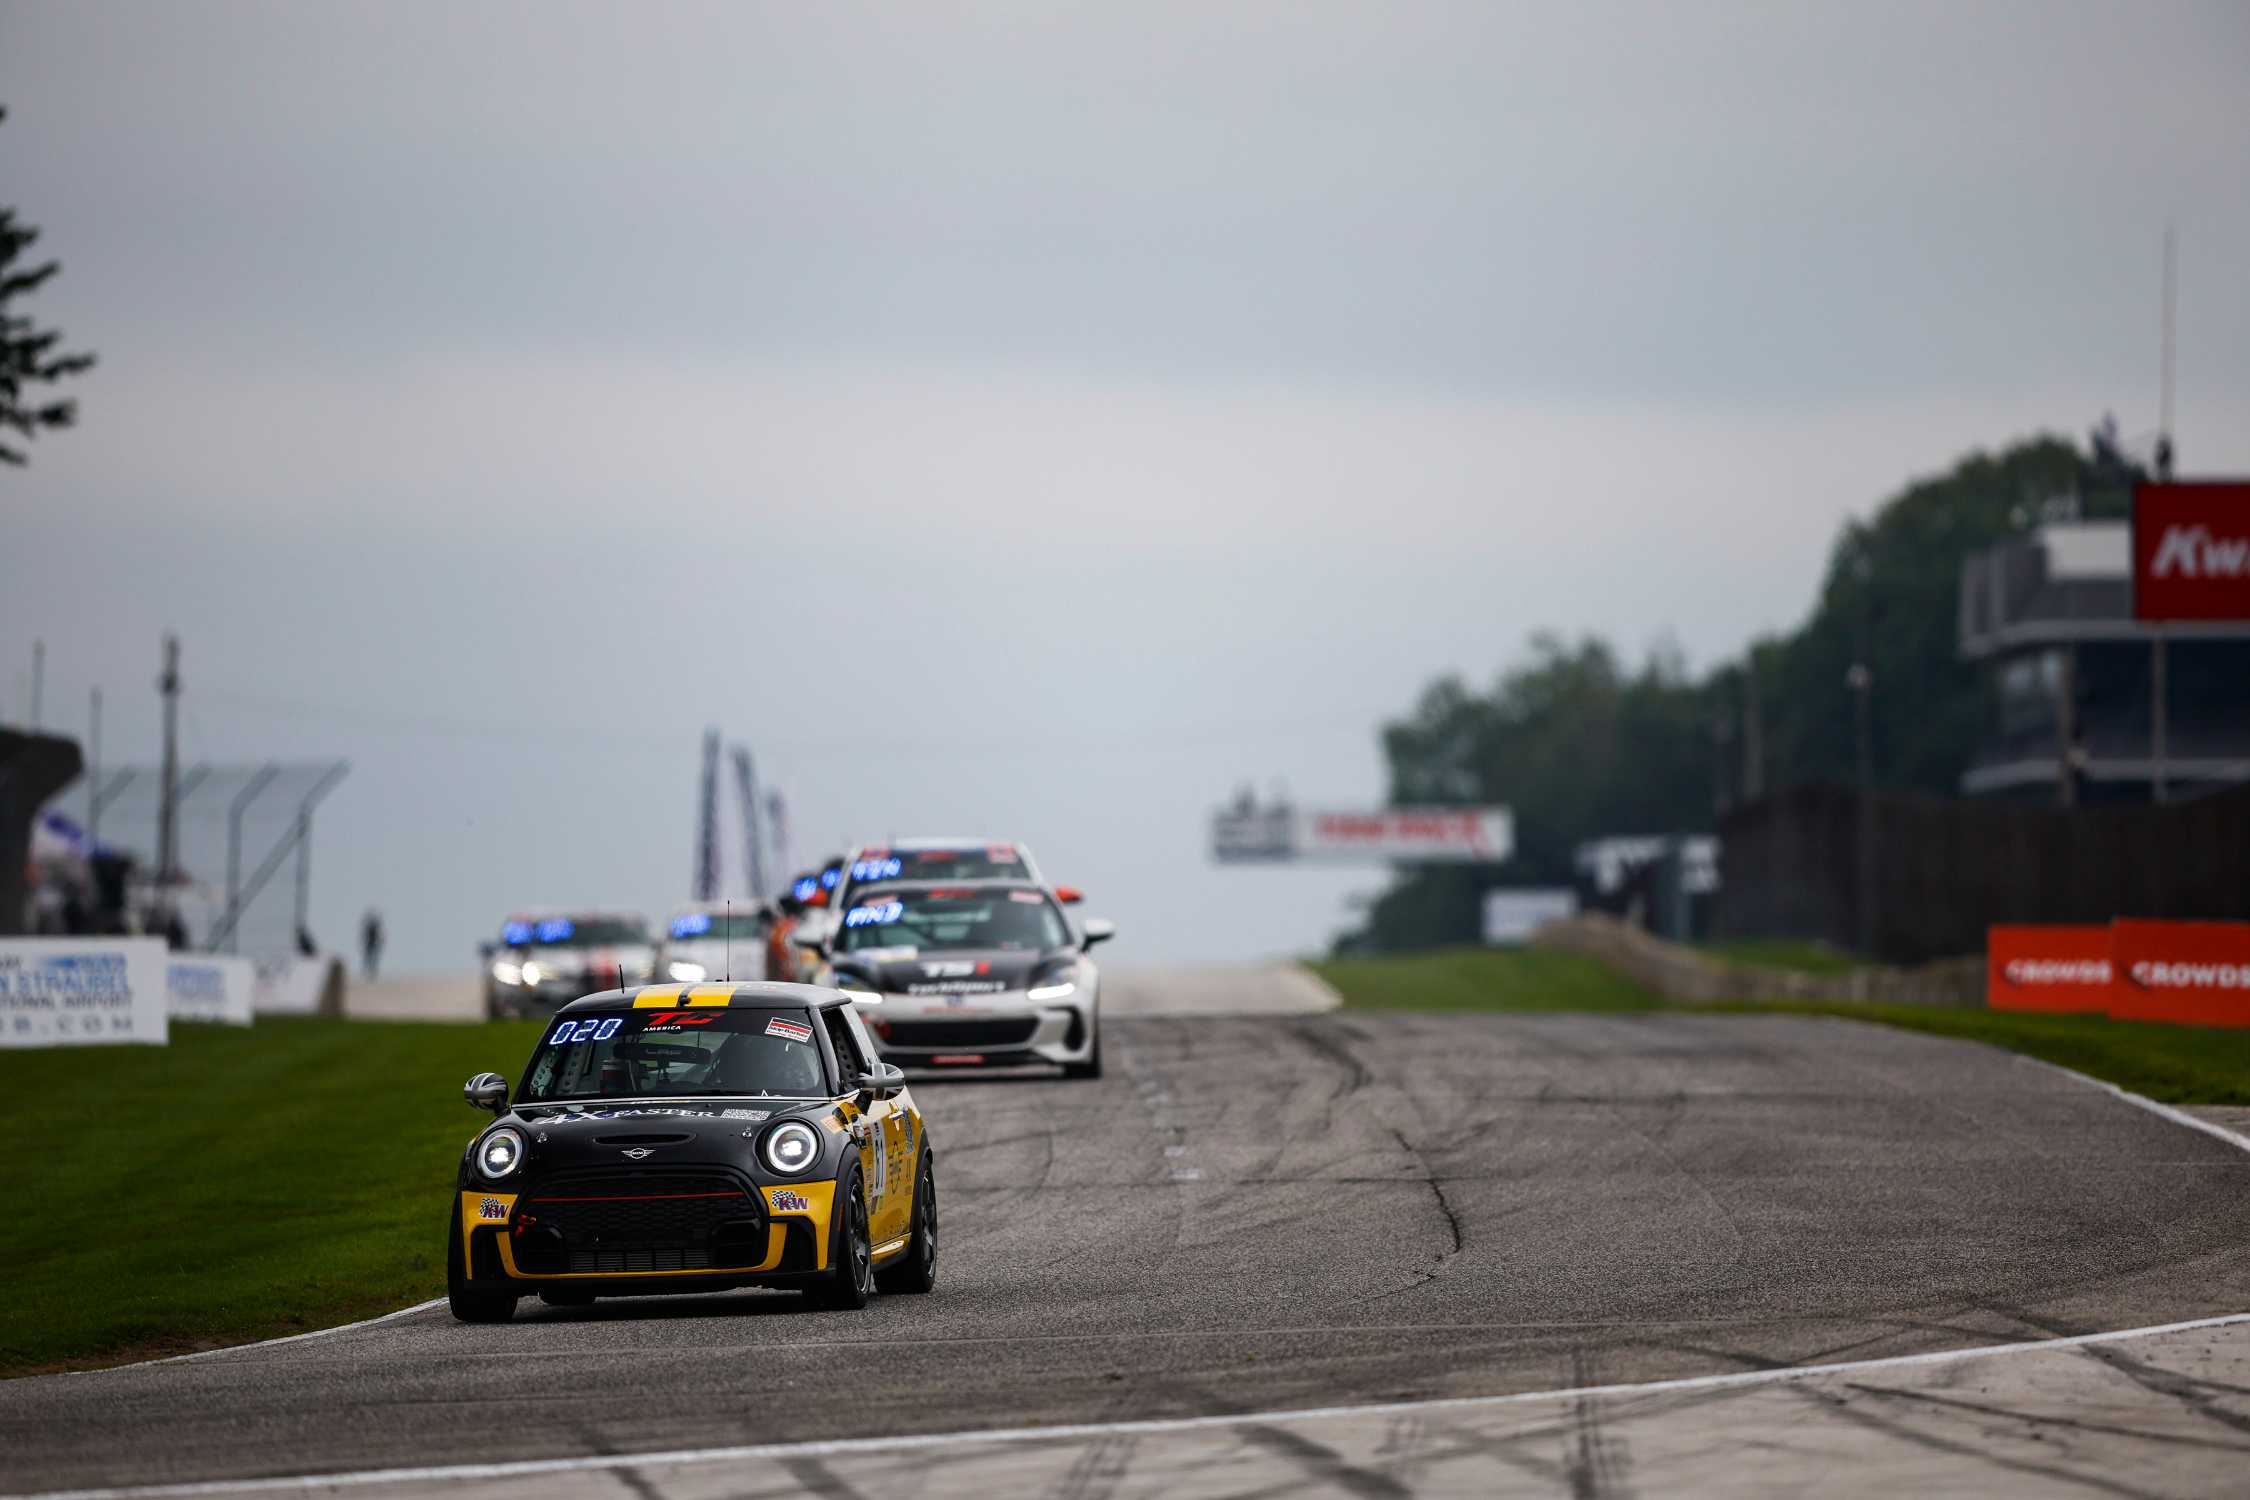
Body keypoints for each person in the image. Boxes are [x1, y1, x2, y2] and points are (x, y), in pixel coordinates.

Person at [360, 908, 385, 981]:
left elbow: (377, 937)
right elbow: (366, 937)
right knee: (370, 960)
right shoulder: (372, 927)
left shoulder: (373, 927)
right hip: (370, 945)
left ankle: (371, 973)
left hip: (372, 945)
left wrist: (380, 943)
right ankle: (369, 973)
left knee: (371, 960)